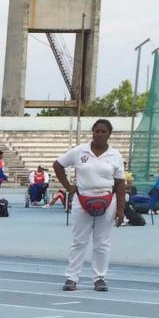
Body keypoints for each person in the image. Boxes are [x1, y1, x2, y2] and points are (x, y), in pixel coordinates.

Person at [53, 118, 126, 292]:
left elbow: (120, 183)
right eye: (96, 131)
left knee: (102, 242)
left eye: (103, 131)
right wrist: (69, 187)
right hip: (83, 198)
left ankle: (99, 278)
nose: (99, 134)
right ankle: (71, 278)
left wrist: (121, 209)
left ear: (109, 134)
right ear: (92, 132)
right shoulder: (80, 151)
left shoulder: (115, 156)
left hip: (107, 200)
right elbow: (58, 165)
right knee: (79, 240)